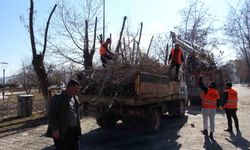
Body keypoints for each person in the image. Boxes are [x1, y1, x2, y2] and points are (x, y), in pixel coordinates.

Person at [45, 79, 82, 150]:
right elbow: (51, 114)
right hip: (62, 131)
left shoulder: (75, 97)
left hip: (74, 131)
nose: (78, 90)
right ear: (71, 87)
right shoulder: (58, 98)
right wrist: (55, 129)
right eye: (77, 88)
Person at [199, 75, 220, 140]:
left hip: (206, 108)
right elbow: (218, 100)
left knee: (205, 120)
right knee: (212, 121)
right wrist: (218, 107)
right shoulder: (216, 92)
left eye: (209, 84)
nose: (208, 84)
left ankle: (205, 131)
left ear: (210, 85)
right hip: (213, 109)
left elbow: (200, 84)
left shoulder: (207, 90)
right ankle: (211, 134)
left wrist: (201, 77)